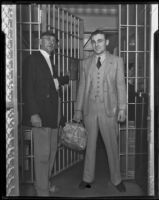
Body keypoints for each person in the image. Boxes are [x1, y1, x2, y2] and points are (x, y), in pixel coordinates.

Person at [73, 29, 127, 192]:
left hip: (109, 109)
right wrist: (78, 109)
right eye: (94, 41)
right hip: (89, 110)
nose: (97, 44)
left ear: (107, 42)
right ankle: (87, 178)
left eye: (100, 41)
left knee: (111, 145)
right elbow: (82, 87)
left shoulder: (117, 61)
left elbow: (120, 85)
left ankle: (116, 179)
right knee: (89, 146)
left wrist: (122, 108)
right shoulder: (85, 62)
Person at [22, 31, 69, 196]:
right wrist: (33, 114)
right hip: (41, 114)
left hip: (53, 114)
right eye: (47, 39)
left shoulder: (50, 62)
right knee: (42, 154)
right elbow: (28, 88)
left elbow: (53, 90)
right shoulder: (33, 59)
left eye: (54, 40)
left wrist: (61, 118)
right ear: (39, 41)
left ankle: (43, 183)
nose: (51, 42)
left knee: (52, 152)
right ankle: (42, 191)